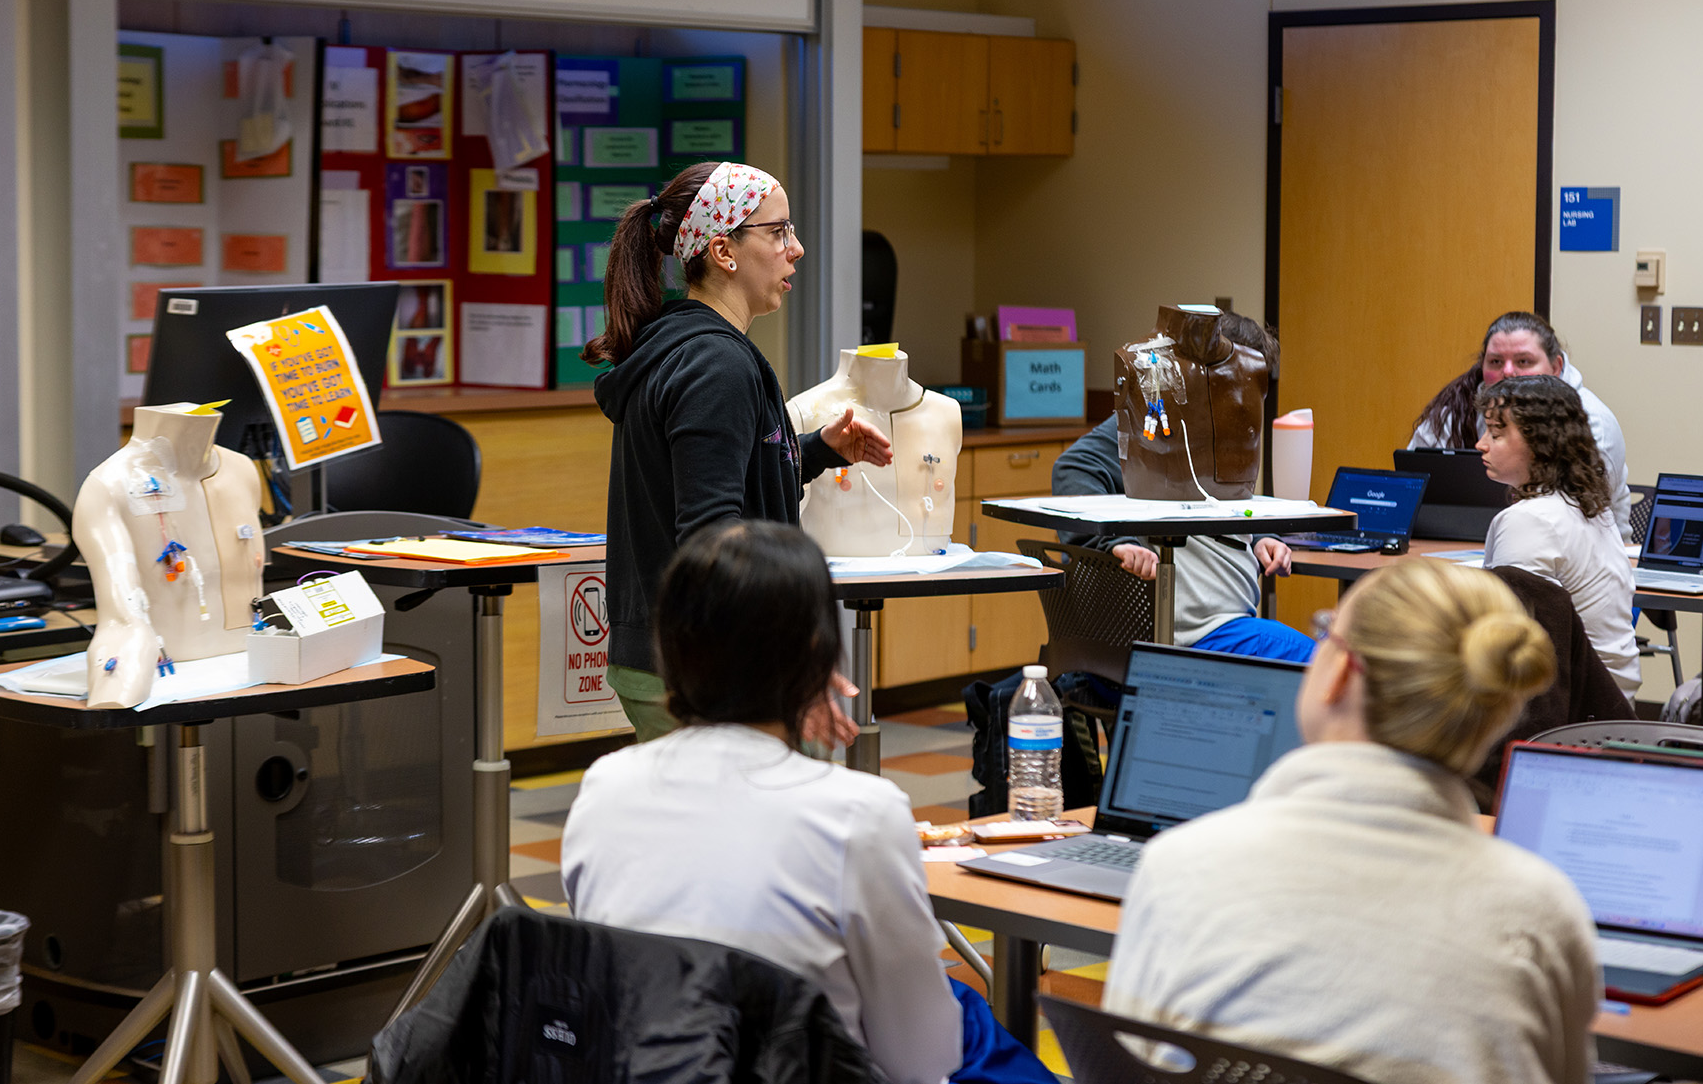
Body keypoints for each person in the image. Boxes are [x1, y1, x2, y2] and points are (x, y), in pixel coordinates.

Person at [561, 522, 1054, 1084]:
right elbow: (925, 1063)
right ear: (819, 655)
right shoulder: (857, 815)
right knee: (978, 1031)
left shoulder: (604, 788)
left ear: (667, 650)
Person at [1103, 557, 1598, 1084]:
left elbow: (1127, 1068)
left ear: (1338, 672)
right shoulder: (1541, 912)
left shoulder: (1181, 868)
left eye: (1325, 634)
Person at [588, 161, 893, 742]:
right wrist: (789, 663)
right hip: (710, 670)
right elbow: (715, 540)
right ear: (724, 251)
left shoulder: (681, 345)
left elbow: (717, 478)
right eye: (778, 232)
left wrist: (819, 450)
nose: (796, 249)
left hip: (673, 659)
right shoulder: (716, 364)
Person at [1053, 315, 1312, 663]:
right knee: (1328, 669)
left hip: (1217, 625)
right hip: (1197, 633)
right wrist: (1114, 543)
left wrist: (1265, 535)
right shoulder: (1157, 416)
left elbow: (1230, 500)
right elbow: (1076, 466)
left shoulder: (1230, 425)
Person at [1477, 375, 1640, 696]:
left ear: (1541, 443)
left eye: (1496, 433)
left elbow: (1512, 638)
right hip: (1612, 698)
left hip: (1569, 706)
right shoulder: (1591, 507)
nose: (1481, 444)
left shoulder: (1529, 520)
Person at [1410, 312, 1630, 535]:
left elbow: (1579, 512)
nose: (1507, 372)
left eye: (1523, 361)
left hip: (1569, 546)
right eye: (1495, 362)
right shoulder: (1459, 410)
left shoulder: (1592, 421)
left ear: (1556, 367)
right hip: (1467, 542)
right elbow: (1413, 476)